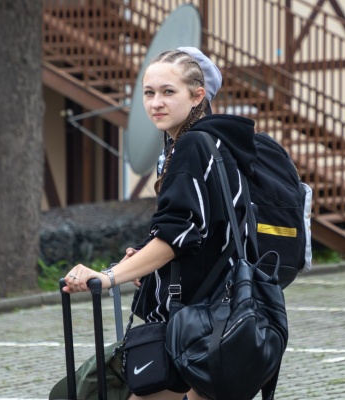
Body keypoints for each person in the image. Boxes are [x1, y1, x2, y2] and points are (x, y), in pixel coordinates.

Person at [63, 47, 259, 400]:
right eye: (149, 93)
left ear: (197, 95)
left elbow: (177, 236)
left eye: (169, 92)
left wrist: (108, 277)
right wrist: (146, 260)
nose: (156, 103)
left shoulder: (192, 146)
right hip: (224, 312)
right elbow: (202, 228)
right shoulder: (219, 142)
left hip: (197, 320)